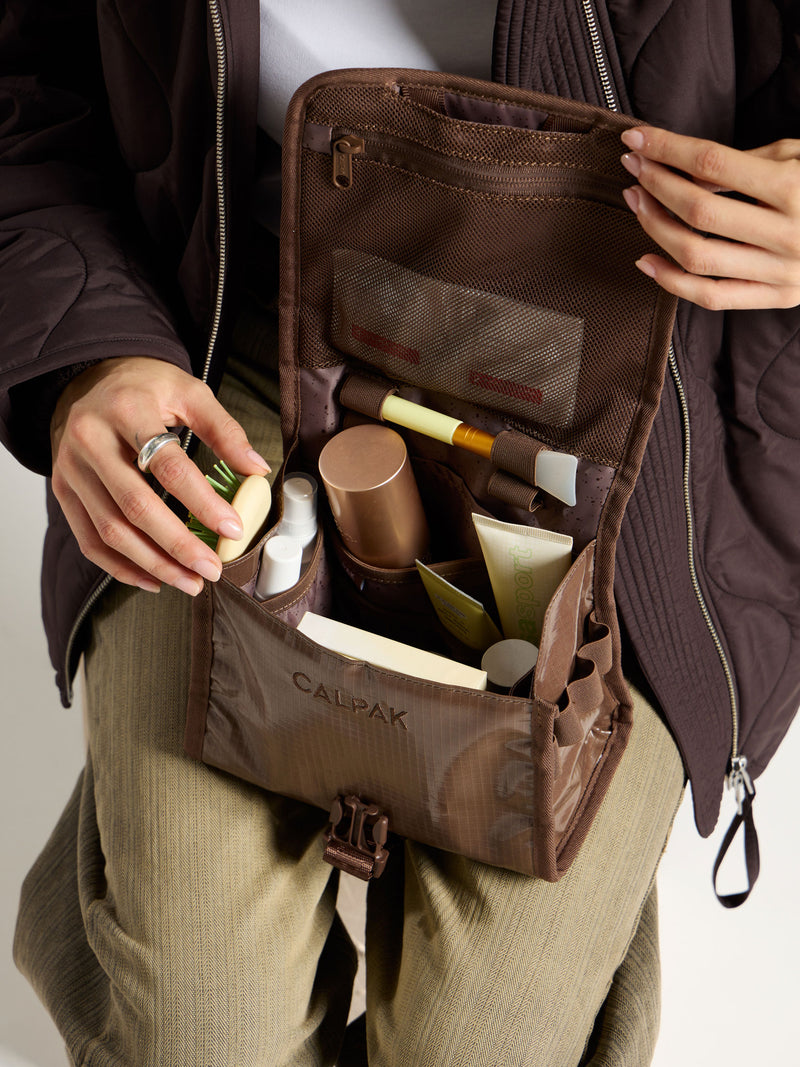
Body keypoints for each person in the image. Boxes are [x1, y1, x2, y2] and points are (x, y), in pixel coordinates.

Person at [2, 1, 798, 1063]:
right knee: (199, 1029)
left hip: (633, 396)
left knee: (480, 1041)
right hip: (239, 331)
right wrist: (92, 359)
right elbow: (24, 88)